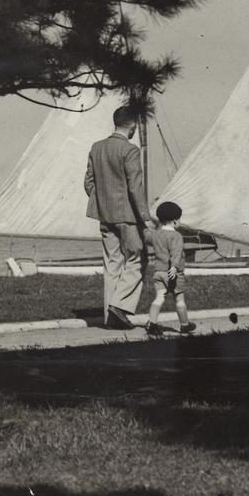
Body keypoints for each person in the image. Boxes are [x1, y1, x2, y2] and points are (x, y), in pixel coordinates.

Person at [84, 105, 154, 329]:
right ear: (133, 126)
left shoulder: (97, 148)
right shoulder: (130, 150)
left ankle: (110, 319)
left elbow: (88, 183)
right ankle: (119, 306)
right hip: (128, 216)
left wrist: (103, 202)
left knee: (111, 264)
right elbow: (135, 187)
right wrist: (146, 218)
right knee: (138, 259)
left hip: (105, 216)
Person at [145, 201, 196, 336]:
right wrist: (174, 266)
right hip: (173, 273)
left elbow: (146, 236)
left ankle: (152, 323)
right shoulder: (176, 236)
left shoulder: (156, 234)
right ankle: (184, 325)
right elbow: (176, 252)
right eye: (179, 220)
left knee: (159, 297)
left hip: (158, 272)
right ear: (174, 221)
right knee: (179, 299)